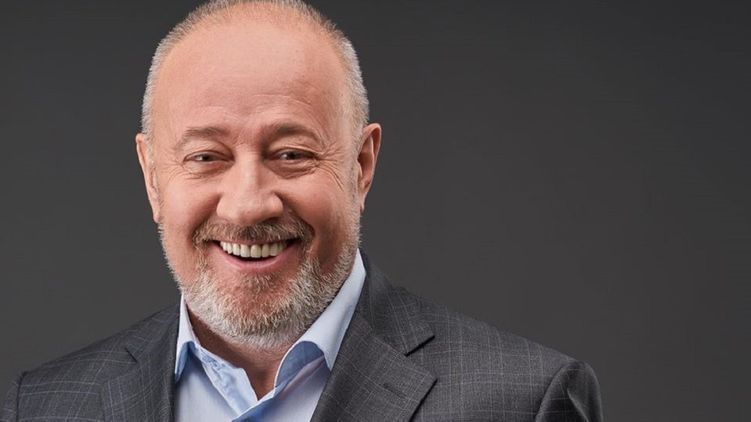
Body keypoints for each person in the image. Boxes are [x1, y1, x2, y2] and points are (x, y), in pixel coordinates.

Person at [1, 1, 603, 420]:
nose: (248, 204)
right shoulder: (42, 408)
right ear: (153, 177)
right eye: (206, 157)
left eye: (291, 154)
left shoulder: (521, 403)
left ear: (361, 166)